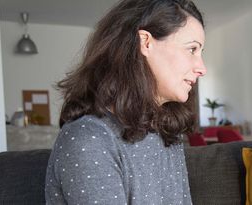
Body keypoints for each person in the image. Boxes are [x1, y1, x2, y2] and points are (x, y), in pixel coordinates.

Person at [45, 0, 206, 204]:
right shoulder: (89, 139)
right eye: (192, 49)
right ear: (146, 42)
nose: (202, 68)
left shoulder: (166, 132)